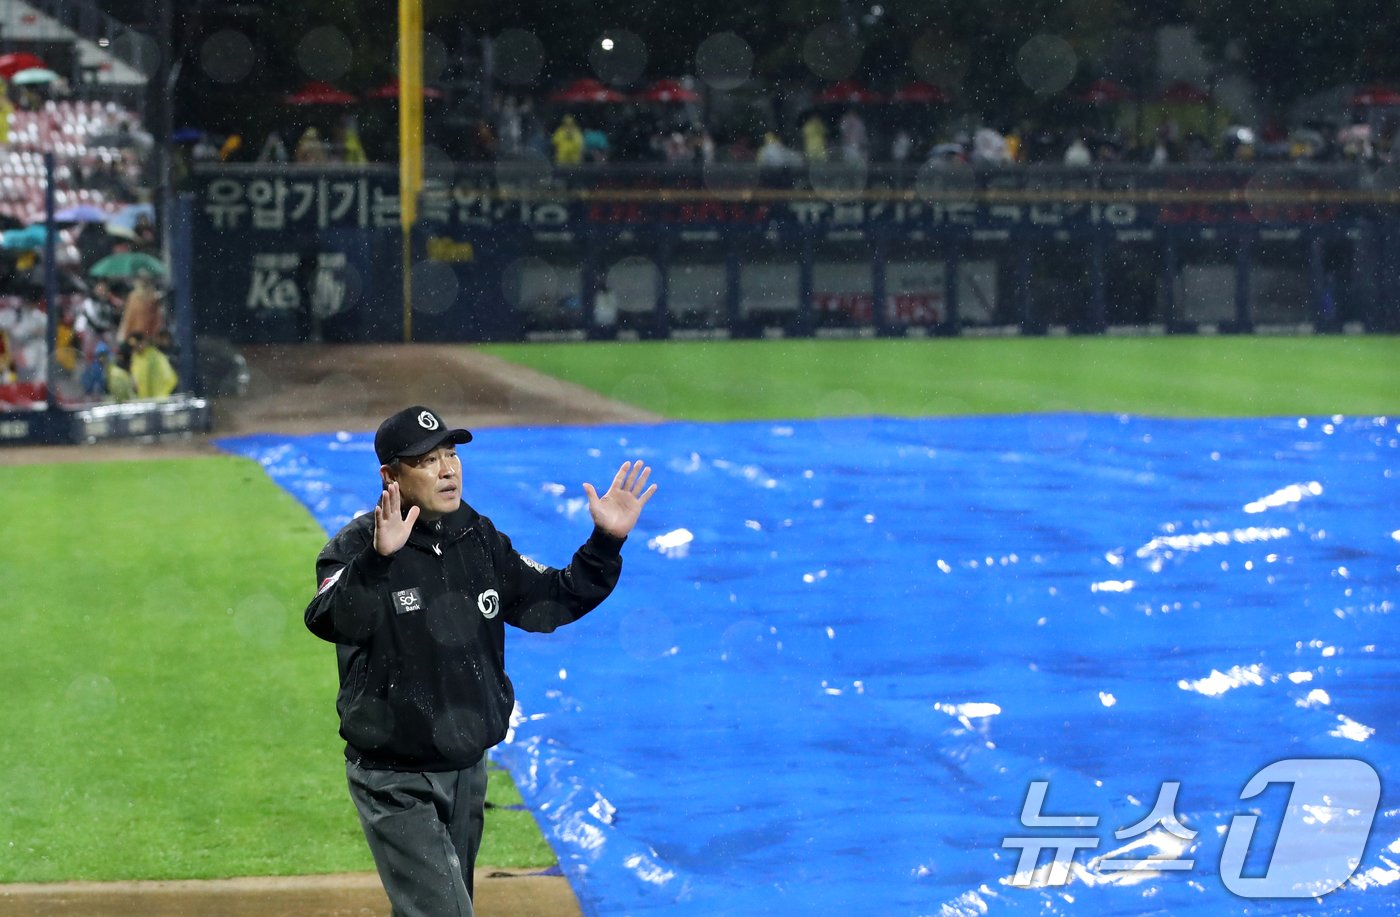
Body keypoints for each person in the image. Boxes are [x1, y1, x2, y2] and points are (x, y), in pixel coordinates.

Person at [304, 406, 657, 917]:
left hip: (467, 768)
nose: (448, 469)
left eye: (451, 453)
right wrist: (378, 562)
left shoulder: (478, 537)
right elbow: (329, 618)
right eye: (427, 460)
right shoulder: (360, 545)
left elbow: (550, 602)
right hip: (394, 775)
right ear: (391, 476)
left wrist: (607, 542)